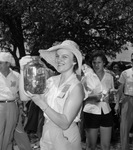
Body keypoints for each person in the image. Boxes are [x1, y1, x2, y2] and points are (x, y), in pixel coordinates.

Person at [19, 40, 85, 150]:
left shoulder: (76, 86)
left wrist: (41, 103)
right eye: (58, 56)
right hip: (47, 131)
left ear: (74, 61)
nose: (59, 60)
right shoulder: (51, 81)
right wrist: (23, 70)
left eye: (64, 57)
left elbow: (65, 123)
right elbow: (24, 97)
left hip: (65, 135)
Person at [83, 52, 114, 150]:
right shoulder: (87, 77)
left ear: (104, 62)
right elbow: (81, 96)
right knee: (91, 146)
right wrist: (94, 97)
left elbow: (111, 93)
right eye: (94, 62)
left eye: (99, 62)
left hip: (106, 112)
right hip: (91, 112)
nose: (96, 65)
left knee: (106, 146)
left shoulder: (109, 77)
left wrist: (111, 97)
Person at [0, 52, 19, 150]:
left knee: (9, 133)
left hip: (12, 105)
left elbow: (21, 92)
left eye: (0, 63)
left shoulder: (16, 76)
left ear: (7, 63)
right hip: (0, 106)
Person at [115, 53, 133, 150]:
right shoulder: (125, 73)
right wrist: (117, 104)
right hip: (127, 99)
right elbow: (120, 89)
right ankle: (124, 148)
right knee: (124, 127)